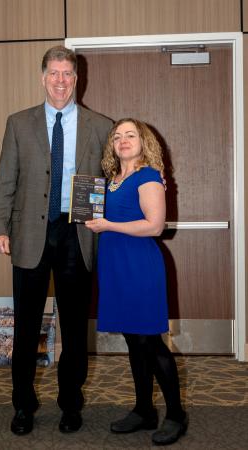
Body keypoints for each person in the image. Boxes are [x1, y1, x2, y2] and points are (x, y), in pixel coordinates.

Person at [0, 45, 112, 435]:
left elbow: (116, 179)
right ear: (43, 78)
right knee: (26, 327)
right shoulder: (18, 123)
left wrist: (148, 181)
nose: (61, 81)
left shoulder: (99, 125)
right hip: (30, 234)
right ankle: (23, 405)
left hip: (77, 233)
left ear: (78, 79)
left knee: (75, 328)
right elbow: (6, 180)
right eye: (54, 73)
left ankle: (70, 405)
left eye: (68, 74)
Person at [85, 118, 188, 446]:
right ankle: (144, 410)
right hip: (115, 266)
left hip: (140, 267)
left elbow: (154, 226)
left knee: (151, 343)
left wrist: (108, 225)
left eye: (131, 135)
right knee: (134, 342)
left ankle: (175, 414)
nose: (123, 140)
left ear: (144, 141)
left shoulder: (148, 177)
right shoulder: (111, 180)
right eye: (117, 136)